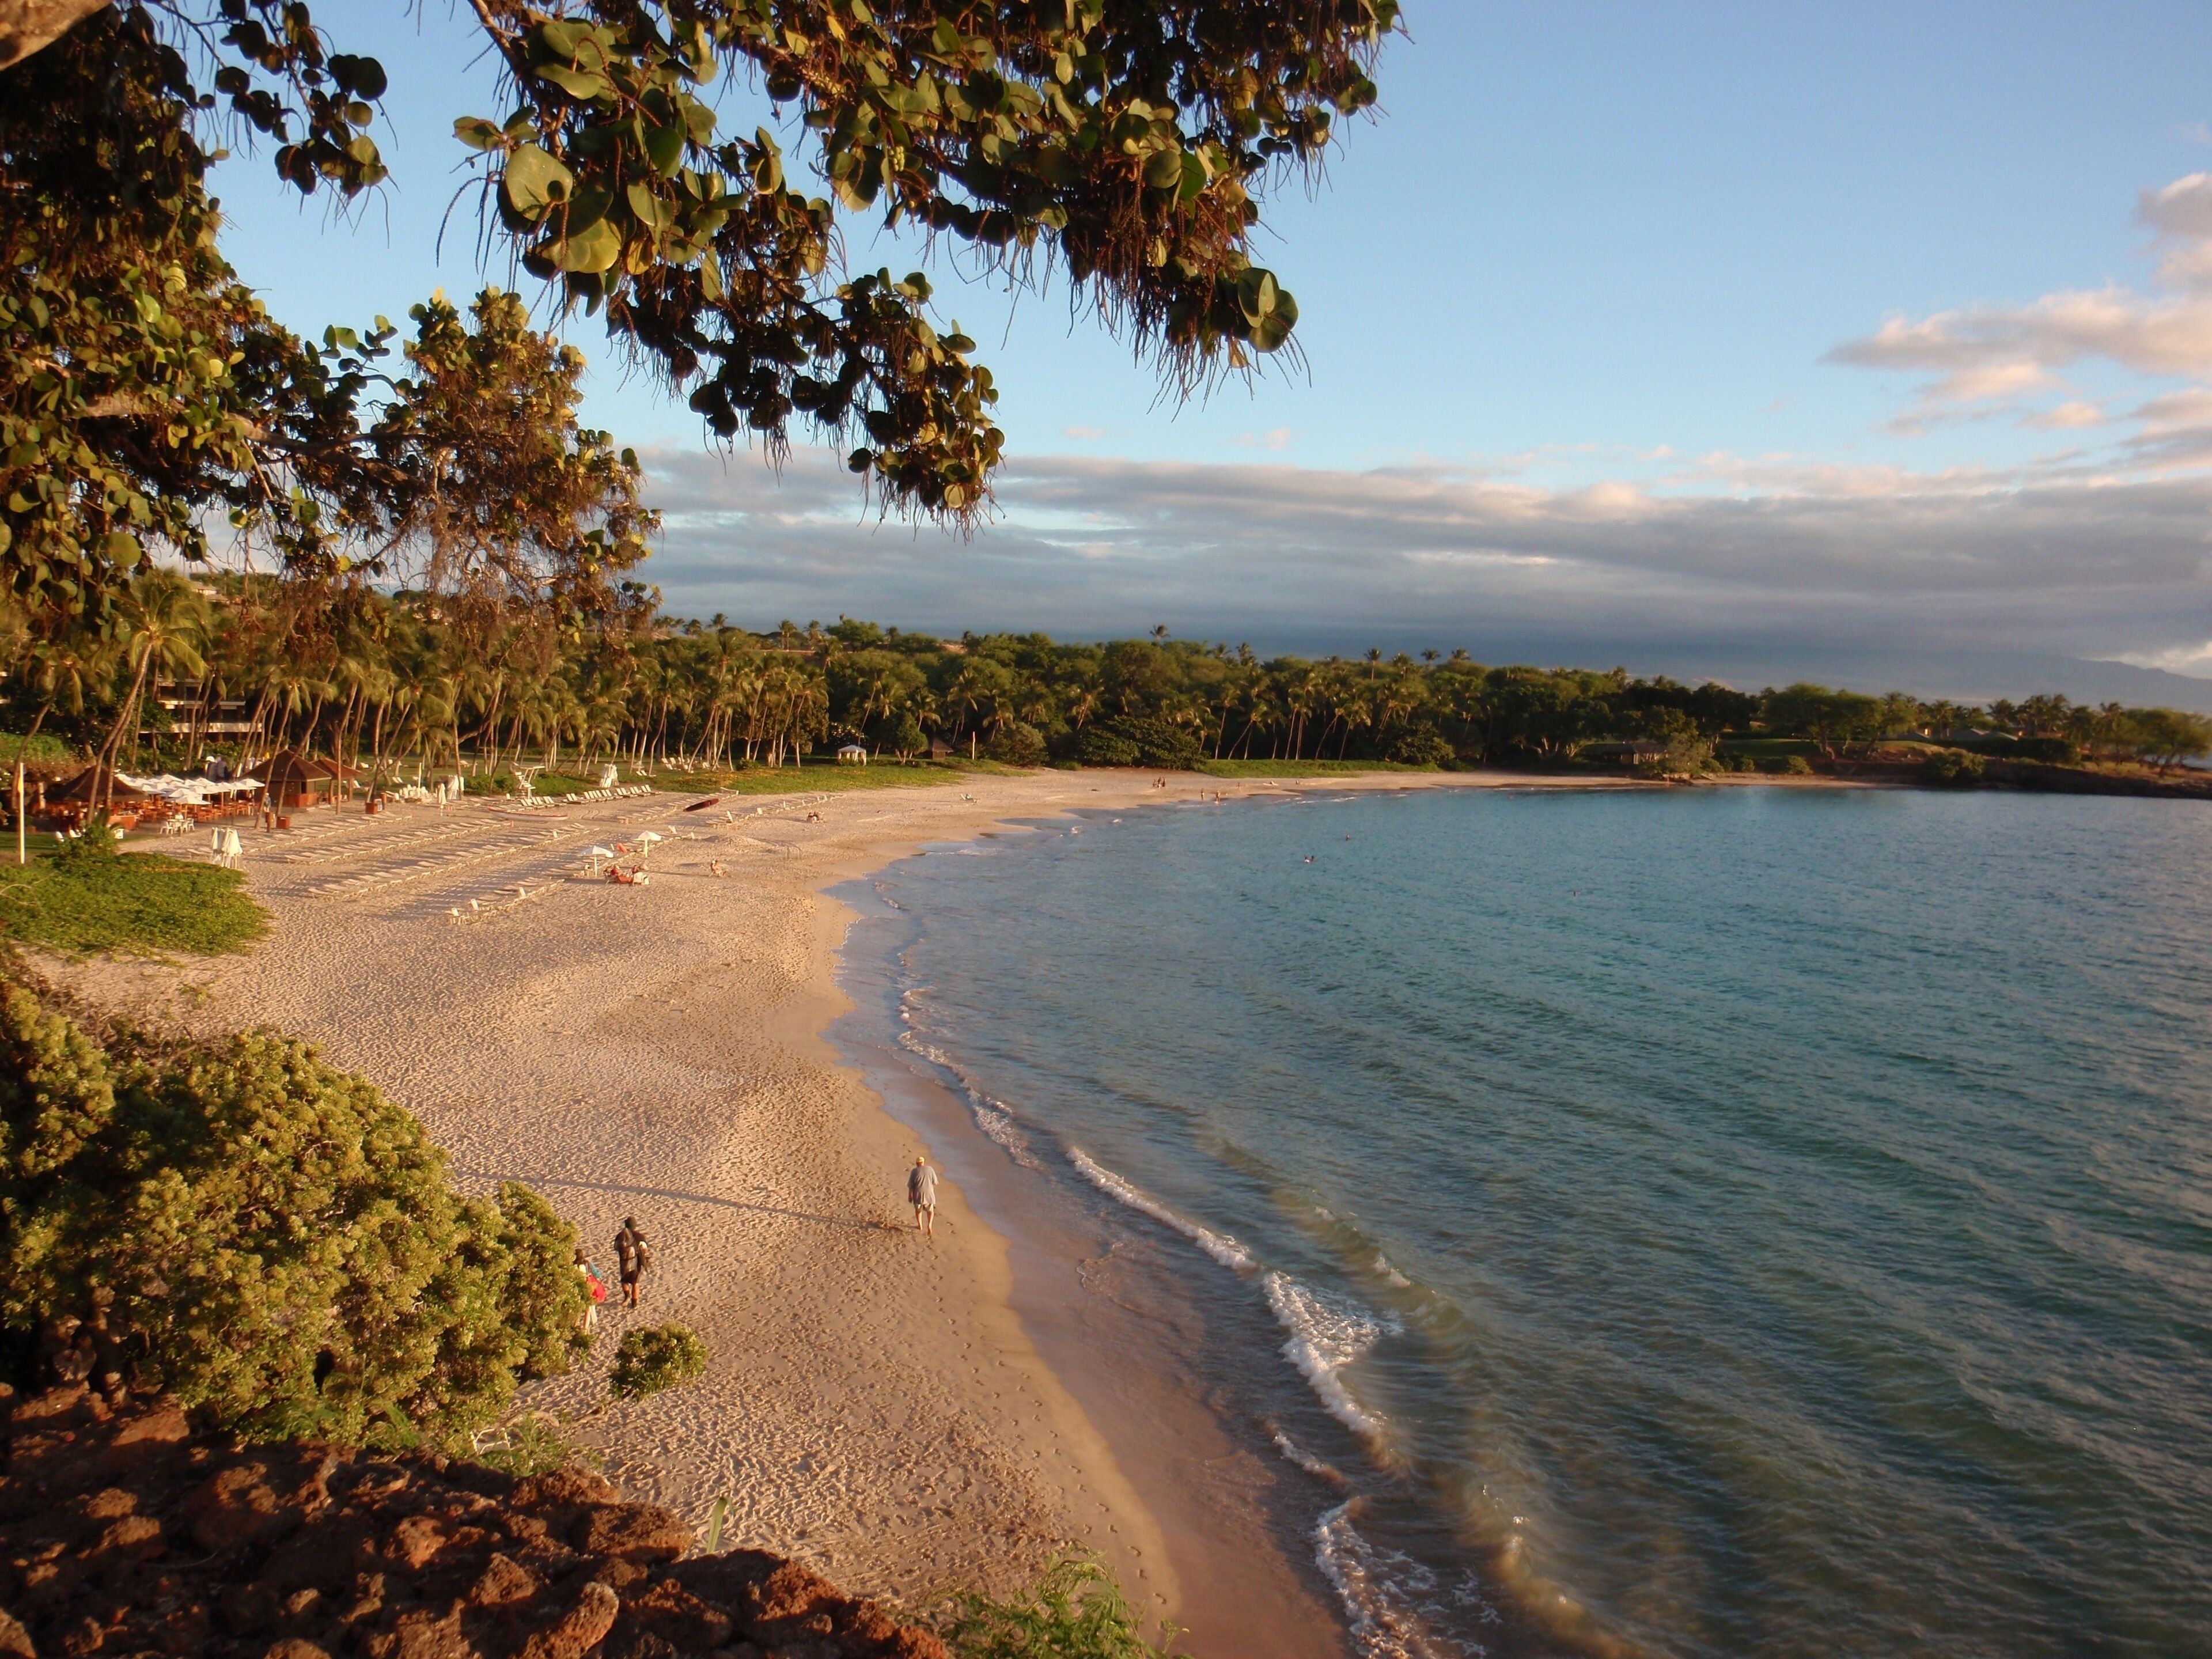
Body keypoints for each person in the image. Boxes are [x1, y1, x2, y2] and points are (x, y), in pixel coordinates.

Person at [613, 1217, 652, 1306]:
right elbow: (645, 1249)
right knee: (635, 1283)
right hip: (636, 1264)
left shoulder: (620, 1236)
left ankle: (627, 1296)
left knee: (624, 1281)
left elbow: (616, 1247)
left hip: (624, 1263)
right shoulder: (640, 1236)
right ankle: (634, 1302)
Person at [574, 1247, 607, 1334]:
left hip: (576, 1288)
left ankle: (575, 1324)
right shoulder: (587, 1263)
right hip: (588, 1287)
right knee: (588, 1310)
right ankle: (585, 1329)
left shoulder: (572, 1265)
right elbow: (597, 1274)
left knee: (577, 1309)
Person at [907, 1155, 939, 1238]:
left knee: (918, 1210)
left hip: (918, 1195)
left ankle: (920, 1225)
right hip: (929, 1195)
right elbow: (935, 1182)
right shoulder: (930, 1169)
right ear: (923, 1163)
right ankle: (929, 1225)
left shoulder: (914, 1171)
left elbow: (911, 1185)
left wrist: (910, 1196)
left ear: (917, 1164)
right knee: (930, 1211)